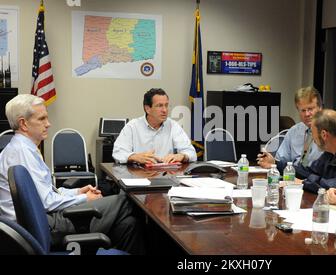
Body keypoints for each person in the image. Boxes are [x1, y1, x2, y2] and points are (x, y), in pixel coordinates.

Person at [0, 94, 145, 254]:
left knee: (128, 223)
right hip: (43, 225)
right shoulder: (22, 153)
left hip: (42, 219)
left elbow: (45, 192)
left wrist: (76, 192)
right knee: (126, 200)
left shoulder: (22, 148)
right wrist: (84, 198)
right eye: (42, 119)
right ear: (23, 124)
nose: (48, 124)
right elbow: (46, 202)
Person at [257, 86, 336, 171]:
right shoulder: (294, 131)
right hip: (295, 178)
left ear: (320, 108)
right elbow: (281, 159)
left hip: (320, 180)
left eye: (310, 109)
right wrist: (273, 162)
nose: (307, 114)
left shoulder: (334, 130)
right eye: (303, 110)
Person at [113, 88, 196, 165]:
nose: (165, 110)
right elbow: (118, 153)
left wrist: (182, 156)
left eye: (166, 105)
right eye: (159, 106)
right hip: (140, 175)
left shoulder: (173, 126)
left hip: (167, 175)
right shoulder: (132, 126)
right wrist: (134, 157)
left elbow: (191, 153)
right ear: (147, 109)